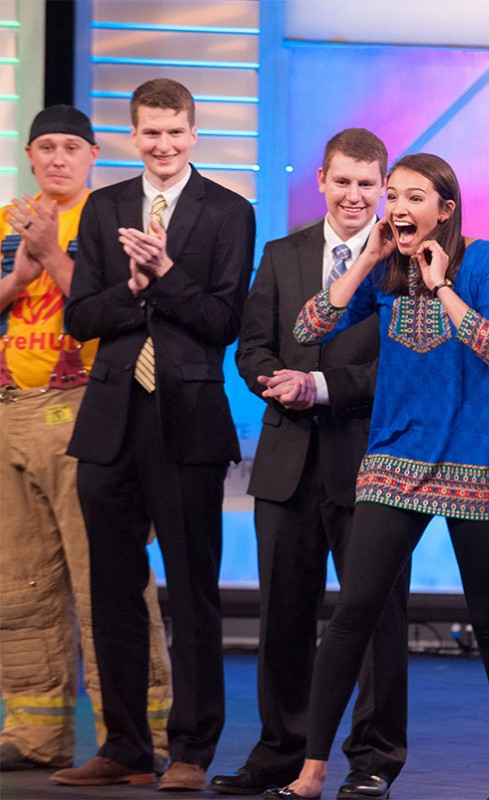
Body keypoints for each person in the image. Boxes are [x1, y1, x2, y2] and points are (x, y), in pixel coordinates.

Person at [272, 152, 489, 800]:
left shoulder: (487, 261)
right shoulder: (384, 270)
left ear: (445, 209)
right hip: (395, 457)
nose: (396, 207)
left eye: (413, 197)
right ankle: (312, 771)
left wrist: (445, 284)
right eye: (391, 195)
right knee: (353, 613)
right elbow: (306, 327)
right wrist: (367, 261)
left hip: (476, 457)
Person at [52, 78, 256, 791]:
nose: (163, 145)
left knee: (193, 590)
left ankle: (192, 751)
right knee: (111, 588)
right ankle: (125, 745)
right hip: (109, 423)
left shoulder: (230, 212)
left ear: (193, 134)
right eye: (150, 133)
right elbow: (80, 319)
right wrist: (134, 290)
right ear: (132, 137)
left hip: (188, 420)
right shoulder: (104, 208)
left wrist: (164, 274)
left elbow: (224, 322)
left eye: (175, 132)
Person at [211, 129, 410, 797]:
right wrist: (279, 382)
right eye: (343, 181)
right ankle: (281, 756)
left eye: (366, 184)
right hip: (287, 462)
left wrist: (320, 386)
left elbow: (401, 368)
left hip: (372, 464)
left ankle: (373, 760)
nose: (354, 195)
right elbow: (253, 346)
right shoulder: (281, 253)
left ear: (381, 188)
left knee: (376, 619)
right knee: (283, 619)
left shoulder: (403, 264)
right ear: (321, 180)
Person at [0, 105, 172, 773]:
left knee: (106, 578)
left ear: (95, 154)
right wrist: (19, 274)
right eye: (45, 146)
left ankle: (138, 735)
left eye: (72, 146)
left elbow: (118, 310)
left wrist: (48, 255)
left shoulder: (110, 219)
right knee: (20, 581)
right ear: (29, 155)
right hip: (12, 405)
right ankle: (36, 732)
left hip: (84, 407)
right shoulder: (7, 220)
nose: (58, 158)